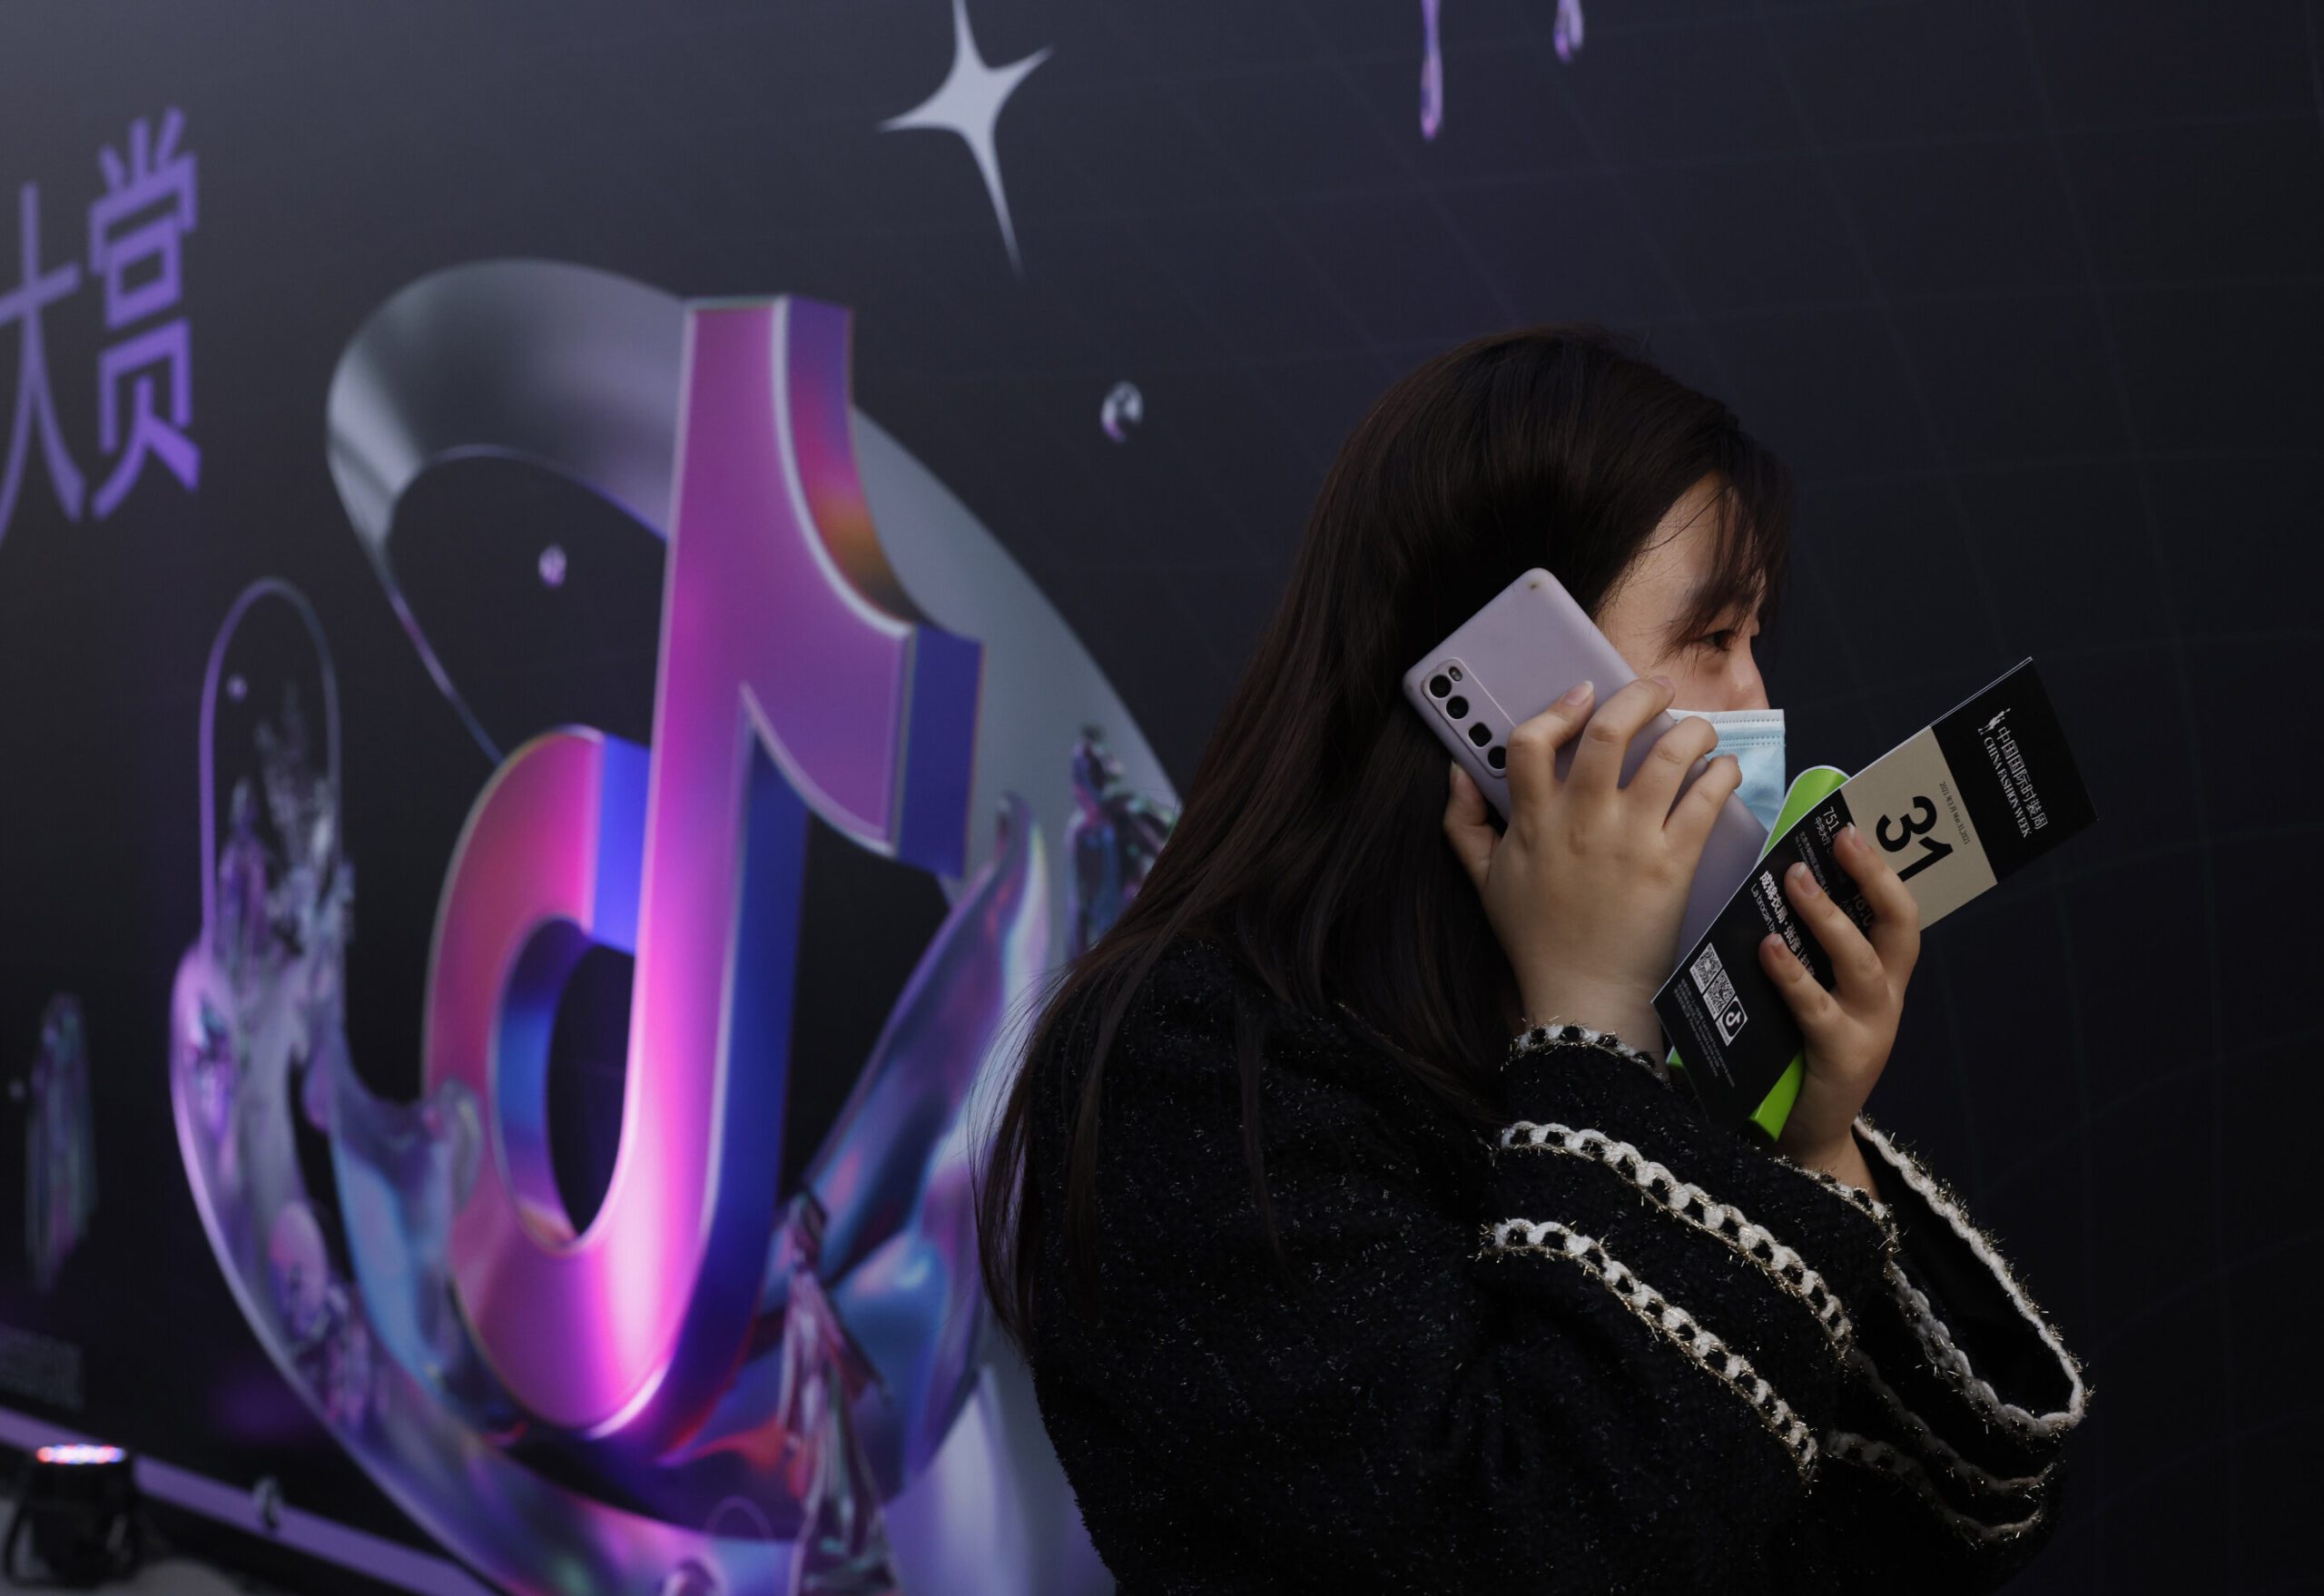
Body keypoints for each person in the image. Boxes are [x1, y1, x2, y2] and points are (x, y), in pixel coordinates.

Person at [973, 325, 2093, 1593]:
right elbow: (1543, 1541)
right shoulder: (1193, 1063)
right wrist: (1595, 1019)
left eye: (1756, 638)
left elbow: (1954, 1525)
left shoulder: (1658, 1058)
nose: (1756, 696)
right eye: (1711, 635)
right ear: (1514, 679)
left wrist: (1812, 1145)